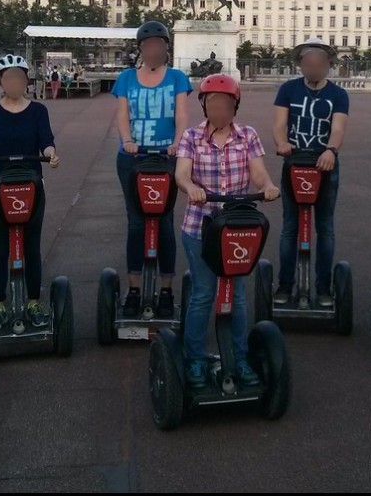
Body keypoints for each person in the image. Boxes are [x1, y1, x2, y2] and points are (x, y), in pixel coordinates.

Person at [175, 74, 280, 389]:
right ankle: (195, 360)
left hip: (236, 227)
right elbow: (181, 173)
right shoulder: (191, 137)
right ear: (204, 105)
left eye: (225, 103)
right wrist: (191, 187)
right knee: (204, 293)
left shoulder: (247, 135)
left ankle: (240, 358)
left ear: (235, 106)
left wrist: (268, 186)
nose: (219, 108)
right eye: (213, 103)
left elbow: (258, 173)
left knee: (236, 296)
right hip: (200, 227)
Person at [0, 54, 60, 330]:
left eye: (20, 77)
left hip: (30, 184)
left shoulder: (37, 111)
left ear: (26, 81)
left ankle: (33, 301)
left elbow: (46, 141)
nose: (15, 82)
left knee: (31, 245)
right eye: (9, 77)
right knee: (1, 247)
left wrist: (51, 154)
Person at [112, 20, 191, 317]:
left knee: (165, 223)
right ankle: (134, 288)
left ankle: (167, 289)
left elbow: (182, 115)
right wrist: (128, 140)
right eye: (148, 45)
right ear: (141, 48)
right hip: (132, 159)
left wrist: (178, 142)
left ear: (166, 48)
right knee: (136, 223)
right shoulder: (127, 78)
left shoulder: (177, 78)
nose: (153, 49)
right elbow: (122, 115)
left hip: (166, 158)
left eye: (159, 45)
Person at [271, 37, 349, 307]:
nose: (314, 69)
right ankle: (284, 285)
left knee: (325, 228)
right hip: (295, 164)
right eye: (309, 64)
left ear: (329, 66)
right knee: (290, 227)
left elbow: (337, 128)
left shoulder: (338, 95)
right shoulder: (288, 90)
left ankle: (323, 288)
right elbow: (280, 124)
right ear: (301, 65)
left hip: (325, 165)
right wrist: (282, 143)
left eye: (320, 64)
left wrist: (331, 150)